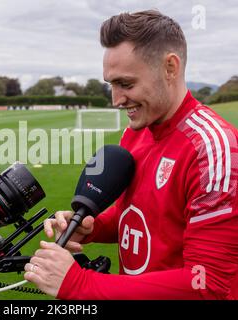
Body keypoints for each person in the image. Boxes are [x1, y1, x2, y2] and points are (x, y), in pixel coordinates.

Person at [24, 10, 238, 299]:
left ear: (170, 68)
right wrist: (93, 227)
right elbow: (140, 216)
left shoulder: (211, 150)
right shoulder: (135, 132)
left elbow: (209, 284)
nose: (116, 100)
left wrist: (80, 284)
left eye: (126, 84)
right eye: (110, 84)